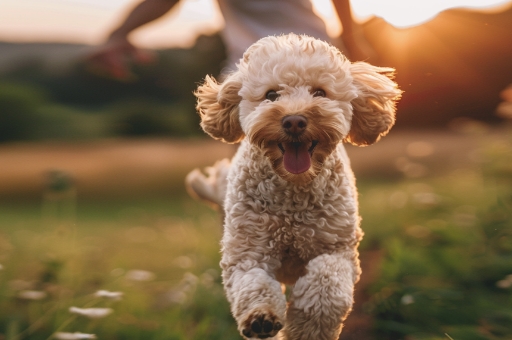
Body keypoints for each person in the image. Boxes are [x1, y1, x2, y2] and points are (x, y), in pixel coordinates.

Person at [87, 0, 377, 80]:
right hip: (248, 65)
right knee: (247, 174)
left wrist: (352, 43)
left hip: (308, 58)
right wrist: (118, 34)